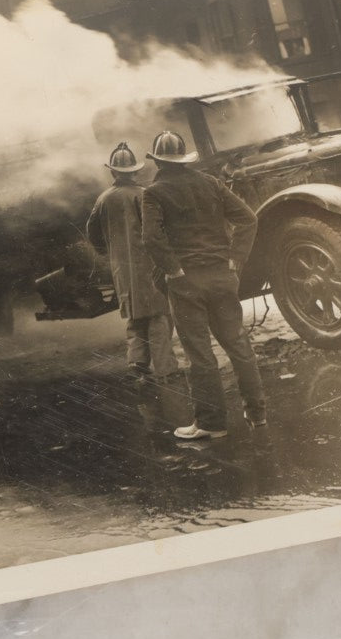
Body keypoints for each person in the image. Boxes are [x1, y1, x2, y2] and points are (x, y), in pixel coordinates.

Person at [141, 130, 266, 439]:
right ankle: (258, 413)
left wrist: (173, 269)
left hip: (186, 282)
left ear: (157, 160)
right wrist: (236, 260)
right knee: (238, 344)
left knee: (200, 354)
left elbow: (151, 238)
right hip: (222, 275)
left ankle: (212, 424)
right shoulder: (210, 183)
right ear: (184, 159)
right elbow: (249, 218)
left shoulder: (153, 193)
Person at [86, 143, 178, 383]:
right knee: (159, 315)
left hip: (122, 268)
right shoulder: (144, 194)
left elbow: (92, 233)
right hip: (149, 265)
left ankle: (137, 364)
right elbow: (158, 230)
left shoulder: (103, 199)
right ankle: (166, 370)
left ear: (113, 172)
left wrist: (107, 254)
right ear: (134, 171)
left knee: (135, 316)